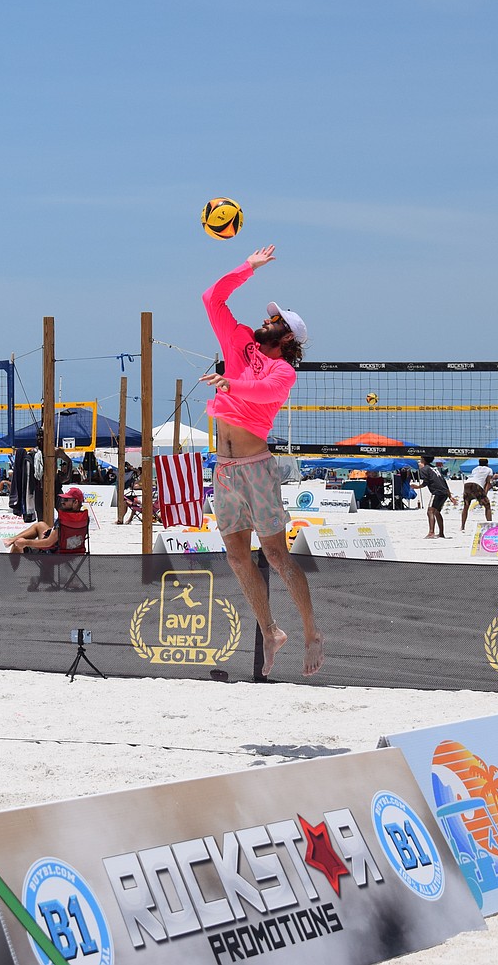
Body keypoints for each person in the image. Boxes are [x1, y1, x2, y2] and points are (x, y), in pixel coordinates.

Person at [199, 244, 324, 678]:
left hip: (256, 468)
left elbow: (264, 394)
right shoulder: (239, 342)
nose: (266, 320)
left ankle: (310, 631)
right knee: (236, 556)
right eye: (270, 317)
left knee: (276, 555)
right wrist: (246, 268)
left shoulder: (283, 372)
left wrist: (229, 385)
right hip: (225, 468)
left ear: (287, 337)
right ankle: (271, 631)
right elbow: (211, 298)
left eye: (275, 321)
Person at [3, 486, 87, 553]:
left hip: (55, 554)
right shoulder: (84, 518)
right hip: (75, 552)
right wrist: (52, 532)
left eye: (66, 500)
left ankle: (10, 573)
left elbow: (48, 543)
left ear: (75, 502)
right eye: (62, 499)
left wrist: (25, 542)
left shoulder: (63, 519)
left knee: (17, 544)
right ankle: (11, 539)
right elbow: (69, 533)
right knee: (40, 525)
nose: (62, 502)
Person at [412, 455, 458, 539]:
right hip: (444, 492)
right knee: (436, 512)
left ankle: (431, 533)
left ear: (423, 460)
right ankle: (441, 533)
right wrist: (449, 495)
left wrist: (417, 487)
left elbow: (425, 482)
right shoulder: (435, 468)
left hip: (437, 492)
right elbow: (443, 481)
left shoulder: (424, 469)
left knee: (430, 511)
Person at [460, 458, 493, 531]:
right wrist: (485, 494)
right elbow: (487, 483)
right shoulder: (489, 470)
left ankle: (462, 526)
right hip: (476, 485)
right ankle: (490, 525)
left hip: (467, 484)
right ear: (487, 463)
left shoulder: (474, 469)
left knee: (466, 506)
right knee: (487, 506)